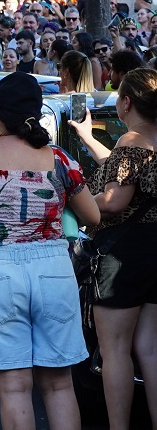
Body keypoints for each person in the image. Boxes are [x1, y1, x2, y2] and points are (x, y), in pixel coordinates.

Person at [0, 71, 99, 430]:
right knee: (59, 385)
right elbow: (93, 214)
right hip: (54, 268)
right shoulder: (59, 159)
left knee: (14, 389)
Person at [69, 68, 157, 430]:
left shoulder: (132, 140)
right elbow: (125, 169)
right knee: (150, 349)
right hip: (152, 249)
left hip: (124, 257)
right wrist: (88, 137)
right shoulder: (148, 141)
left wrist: (75, 197)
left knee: (114, 349)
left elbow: (113, 201)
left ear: (126, 102)